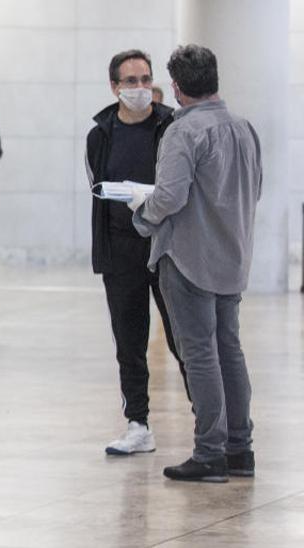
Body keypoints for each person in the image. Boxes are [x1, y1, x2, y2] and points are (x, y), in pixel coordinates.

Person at [129, 45, 261, 483]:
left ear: (177, 87)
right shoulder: (244, 128)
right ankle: (240, 449)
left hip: (187, 259)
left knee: (200, 353)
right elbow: (255, 189)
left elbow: (168, 197)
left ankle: (209, 453)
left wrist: (141, 214)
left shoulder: (183, 132)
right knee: (230, 349)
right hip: (232, 256)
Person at [85, 49, 187, 456]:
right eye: (131, 81)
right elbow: (96, 187)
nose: (141, 88)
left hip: (167, 247)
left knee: (184, 338)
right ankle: (138, 424)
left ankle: (207, 421)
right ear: (115, 87)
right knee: (130, 340)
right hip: (121, 249)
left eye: (146, 79)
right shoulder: (100, 134)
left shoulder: (171, 126)